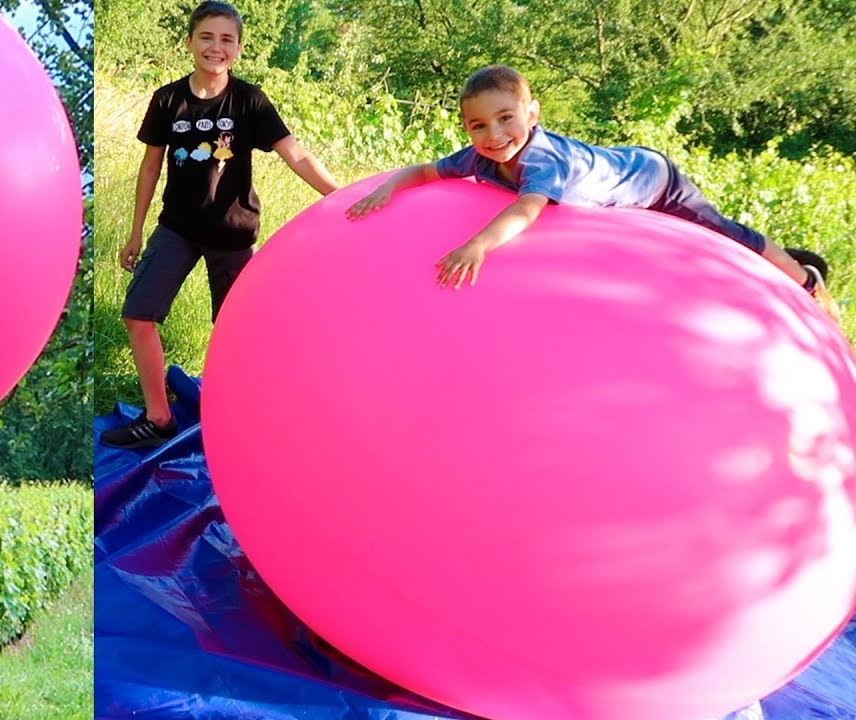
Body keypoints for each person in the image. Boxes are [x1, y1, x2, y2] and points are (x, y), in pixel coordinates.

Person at [346, 65, 842, 322]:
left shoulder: (541, 160)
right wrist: (387, 188)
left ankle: (804, 278)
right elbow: (427, 170)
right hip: (618, 174)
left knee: (727, 235)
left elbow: (526, 208)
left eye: (506, 119)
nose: (493, 134)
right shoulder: (481, 155)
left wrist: (478, 244)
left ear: (532, 115)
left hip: (654, 180)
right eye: (478, 125)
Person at [102, 0, 340, 450]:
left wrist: (340, 194)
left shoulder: (249, 100)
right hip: (177, 228)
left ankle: (247, 420)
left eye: (226, 39)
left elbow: (296, 154)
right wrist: (136, 231)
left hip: (232, 233)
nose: (216, 47)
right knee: (137, 313)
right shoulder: (167, 99)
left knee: (236, 331)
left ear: (238, 47)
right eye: (207, 37)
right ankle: (158, 418)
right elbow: (150, 168)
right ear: (190, 41)